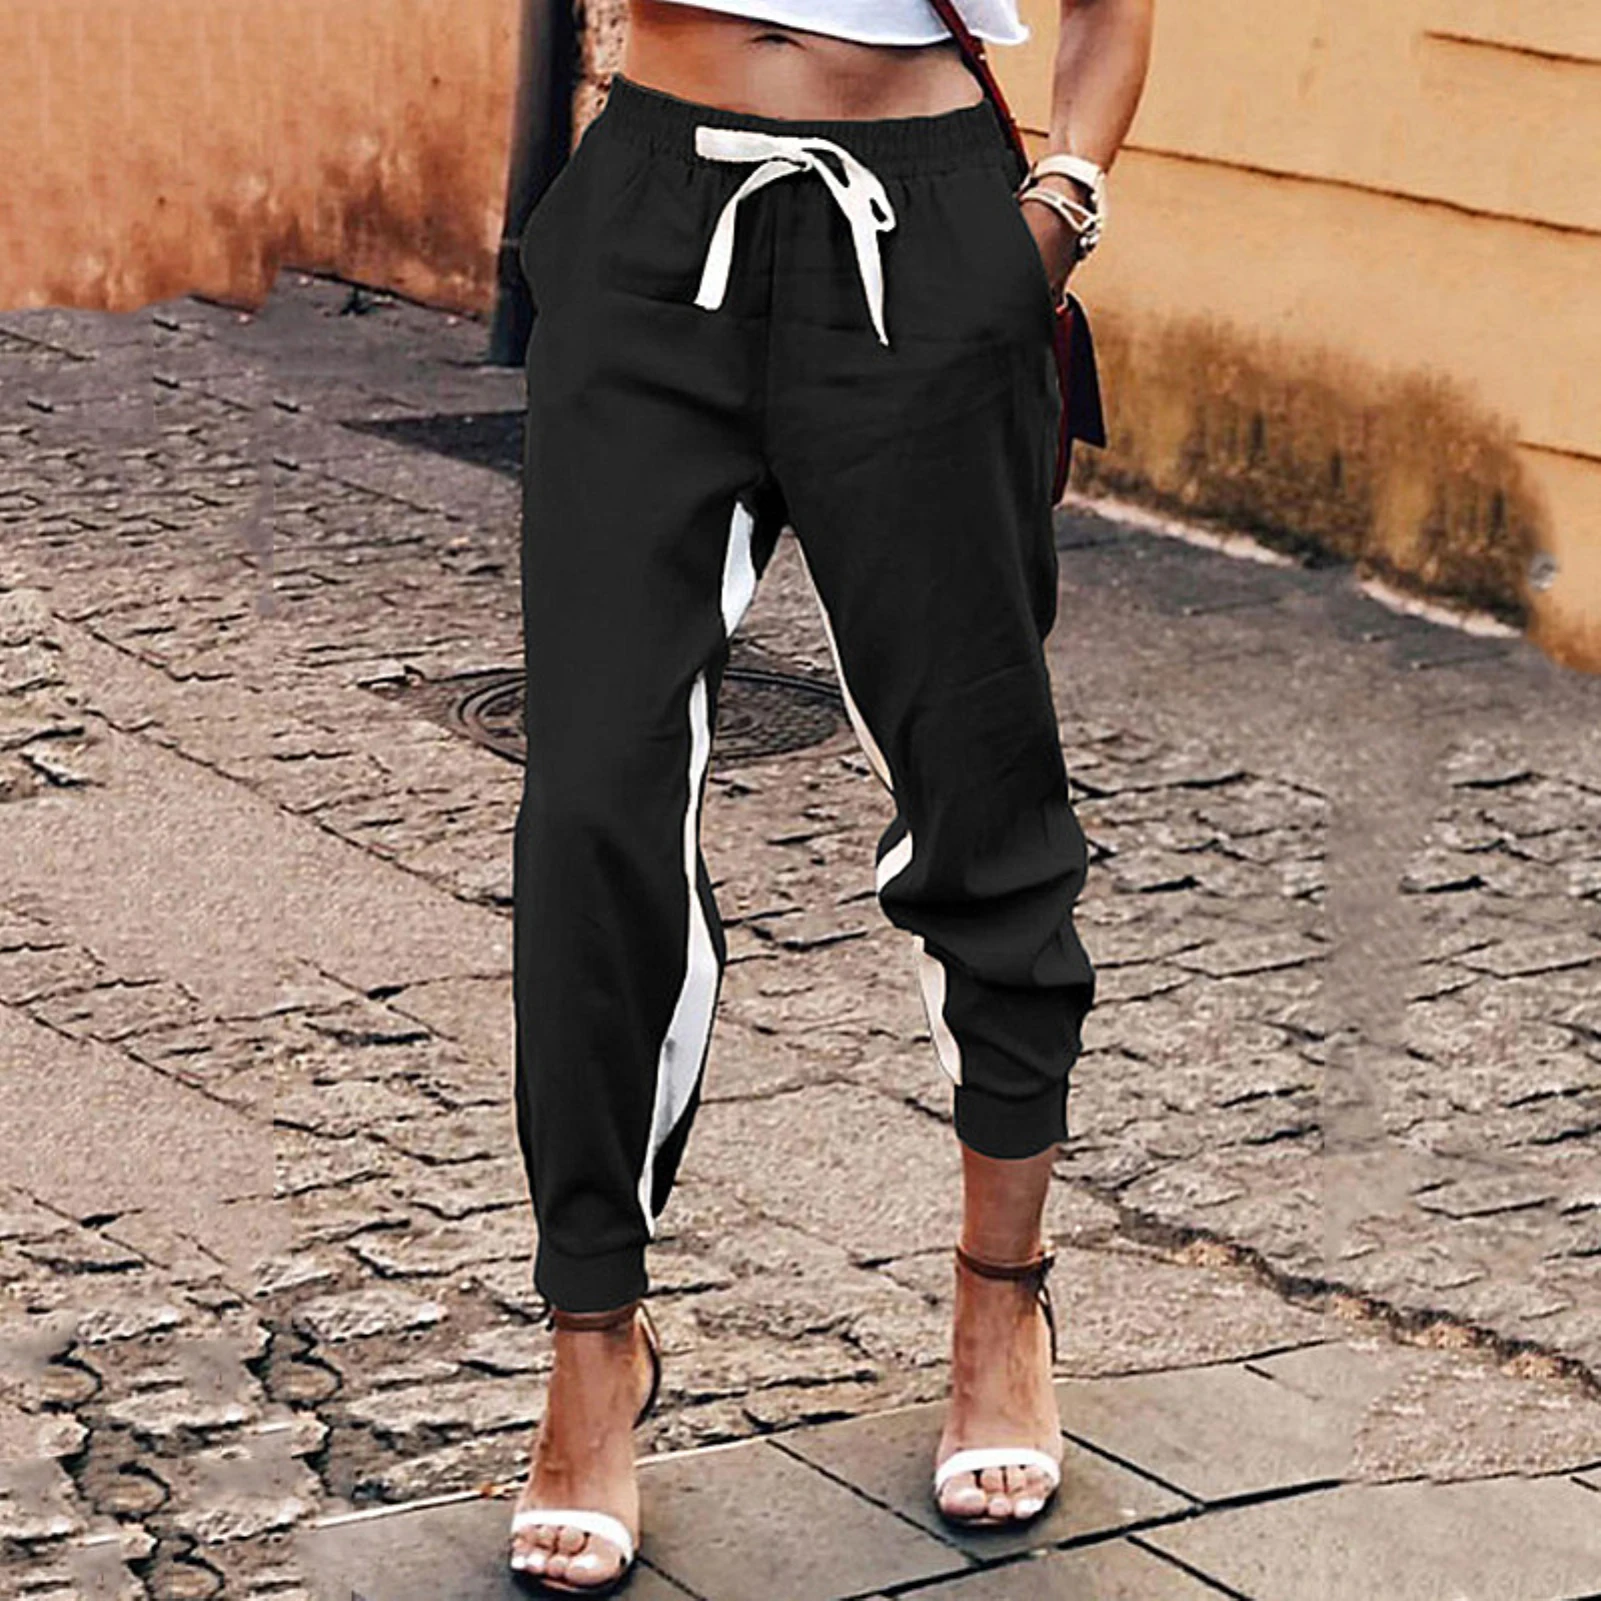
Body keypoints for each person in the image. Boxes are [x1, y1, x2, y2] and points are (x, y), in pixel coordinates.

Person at [508, 0, 1154, 1590]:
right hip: (656, 213)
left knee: (978, 787)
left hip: (928, 232)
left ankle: (1000, 1298)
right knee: (592, 803)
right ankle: (592, 1338)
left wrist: (1059, 205)